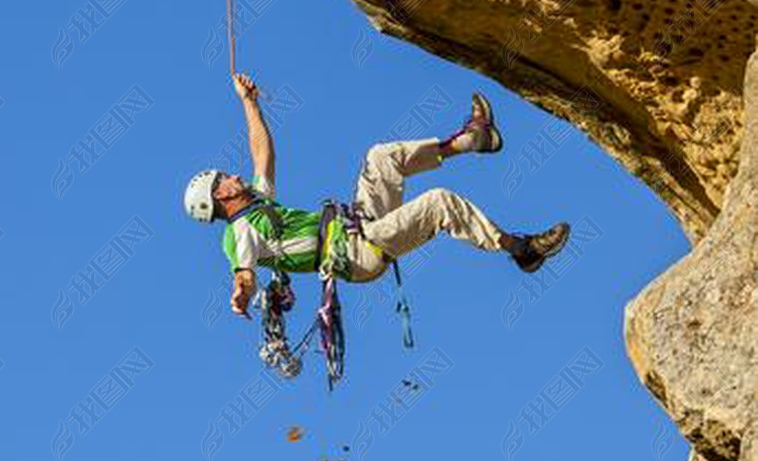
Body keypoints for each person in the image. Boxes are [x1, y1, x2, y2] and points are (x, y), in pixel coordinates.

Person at [183, 73, 571, 321]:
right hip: (356, 253)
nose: (234, 175)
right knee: (439, 203)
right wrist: (241, 292)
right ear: (219, 195)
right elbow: (244, 272)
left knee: (380, 157)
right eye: (225, 178)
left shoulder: (258, 203)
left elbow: (262, 153)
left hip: (358, 226)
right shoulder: (238, 234)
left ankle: (472, 139)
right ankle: (523, 248)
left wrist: (249, 103)